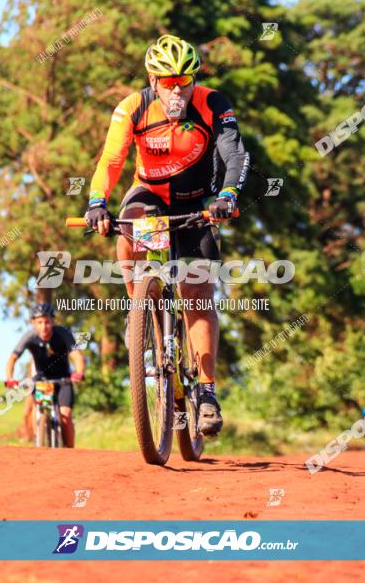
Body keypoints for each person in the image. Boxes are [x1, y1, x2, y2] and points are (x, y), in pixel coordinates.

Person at [84, 34, 249, 437]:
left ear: (194, 78)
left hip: (197, 203)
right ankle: (137, 310)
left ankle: (207, 393)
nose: (177, 89)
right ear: (152, 80)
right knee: (129, 223)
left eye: (184, 80)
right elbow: (111, 159)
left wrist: (227, 195)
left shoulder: (213, 103)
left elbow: (234, 153)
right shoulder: (132, 108)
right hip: (152, 197)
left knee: (198, 292)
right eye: (167, 81)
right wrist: (96, 202)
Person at [4, 303, 86, 447]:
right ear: (34, 323)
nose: (44, 326)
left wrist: (79, 373)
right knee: (40, 413)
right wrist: (10, 378)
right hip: (42, 382)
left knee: (65, 416)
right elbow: (13, 358)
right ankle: (40, 444)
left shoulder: (63, 334)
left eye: (47, 322)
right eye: (40, 322)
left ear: (53, 321)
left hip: (63, 380)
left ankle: (71, 452)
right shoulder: (30, 337)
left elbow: (77, 356)